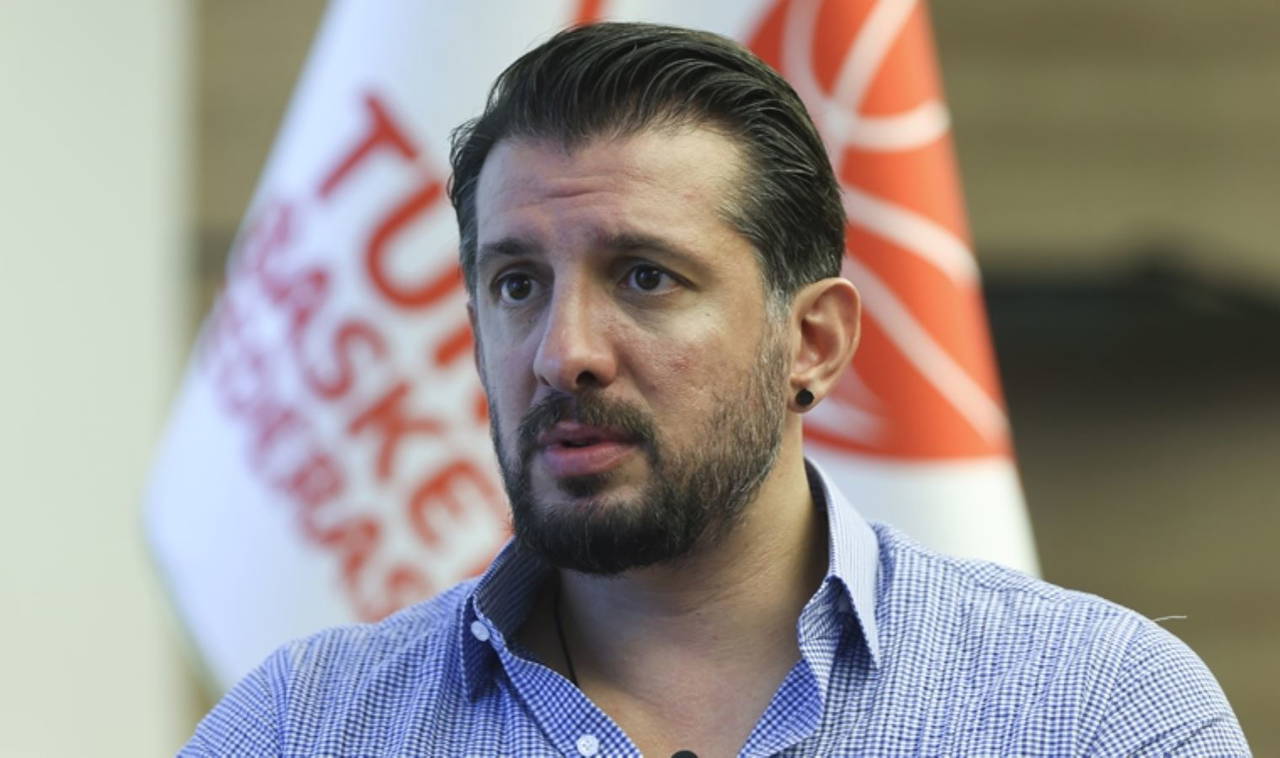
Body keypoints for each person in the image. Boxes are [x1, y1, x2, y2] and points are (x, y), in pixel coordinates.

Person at [182, 22, 1248, 757]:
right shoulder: (301, 727)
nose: (562, 352)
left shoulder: (1092, 710)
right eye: (517, 284)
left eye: (645, 276)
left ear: (813, 341)